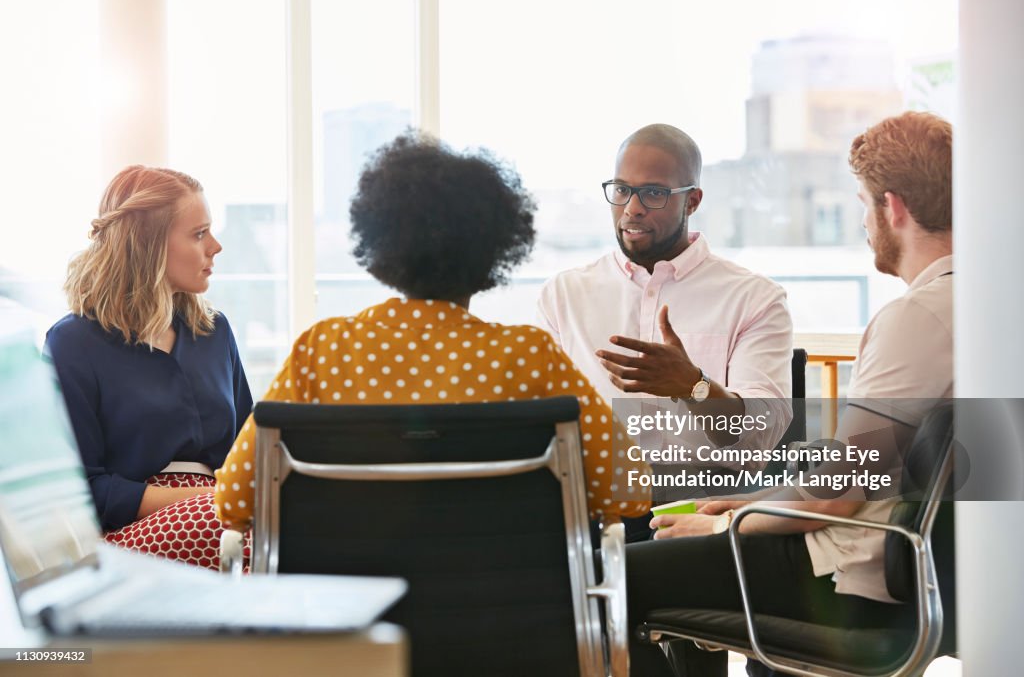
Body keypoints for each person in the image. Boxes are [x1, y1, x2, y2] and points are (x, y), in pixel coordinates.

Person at [625, 111, 954, 676]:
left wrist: (729, 523)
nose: (864, 223)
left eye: (862, 204)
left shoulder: (918, 317)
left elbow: (835, 496)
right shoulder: (989, 303)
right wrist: (754, 503)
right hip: (921, 566)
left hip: (851, 569)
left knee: (614, 577)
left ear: (892, 208)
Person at [214, 132, 650, 534]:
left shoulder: (324, 351)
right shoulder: (527, 356)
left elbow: (235, 498)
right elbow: (631, 491)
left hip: (352, 607)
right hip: (505, 605)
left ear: (381, 243)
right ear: (494, 251)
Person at [537, 123, 793, 516]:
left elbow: (762, 435)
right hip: (592, 506)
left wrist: (695, 388)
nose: (632, 208)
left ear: (692, 201)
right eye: (622, 190)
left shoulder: (754, 298)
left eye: (654, 193)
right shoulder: (564, 295)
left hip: (701, 509)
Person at [46, 165, 252, 570]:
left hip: (223, 517)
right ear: (149, 244)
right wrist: (211, 500)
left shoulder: (215, 331)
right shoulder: (72, 343)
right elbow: (82, 489)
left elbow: (247, 450)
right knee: (225, 525)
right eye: (198, 234)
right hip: (130, 532)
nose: (216, 246)